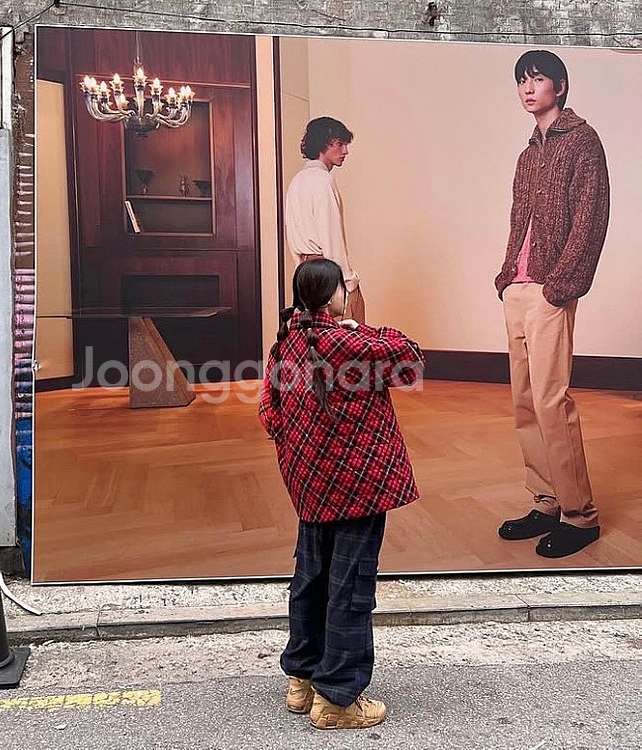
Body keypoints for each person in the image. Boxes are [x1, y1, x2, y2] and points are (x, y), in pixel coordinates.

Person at [258, 258, 423, 730]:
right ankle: (337, 700)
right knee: (349, 587)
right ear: (333, 296)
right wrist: (366, 328)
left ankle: (302, 680)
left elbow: (269, 414)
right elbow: (410, 361)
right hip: (358, 486)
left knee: (310, 578)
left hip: (312, 485)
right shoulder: (349, 343)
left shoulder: (285, 342)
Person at [494, 50, 610, 558]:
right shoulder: (527, 155)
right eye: (522, 80)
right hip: (518, 289)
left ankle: (579, 515)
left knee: (550, 401)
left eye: (537, 79)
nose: (527, 88)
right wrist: (506, 277)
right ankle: (546, 500)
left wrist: (560, 284)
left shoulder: (583, 141)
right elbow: (517, 220)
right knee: (524, 402)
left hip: (550, 289)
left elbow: (591, 218)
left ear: (559, 86)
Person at [285, 117, 366, 324]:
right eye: (339, 144)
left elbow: (292, 233)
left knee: (311, 336)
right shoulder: (323, 181)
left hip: (304, 274)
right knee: (351, 337)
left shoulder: (297, 181)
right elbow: (331, 237)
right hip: (327, 274)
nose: (345, 151)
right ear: (322, 145)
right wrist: (349, 282)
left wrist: (300, 270)